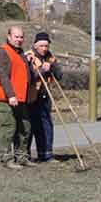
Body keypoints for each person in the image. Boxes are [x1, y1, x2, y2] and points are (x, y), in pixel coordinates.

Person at [0, 25, 37, 169]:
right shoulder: (2, 52)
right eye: (16, 36)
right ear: (9, 36)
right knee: (9, 127)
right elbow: (3, 76)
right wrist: (10, 95)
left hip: (22, 98)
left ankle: (22, 157)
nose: (19, 39)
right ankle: (6, 159)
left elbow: (27, 76)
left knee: (25, 127)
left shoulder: (21, 54)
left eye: (21, 37)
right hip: (7, 98)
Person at [25, 31, 63, 163]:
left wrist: (51, 67)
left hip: (44, 97)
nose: (44, 48)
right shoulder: (28, 56)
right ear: (35, 45)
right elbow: (27, 77)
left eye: (46, 46)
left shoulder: (50, 57)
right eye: (41, 46)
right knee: (29, 128)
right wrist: (42, 70)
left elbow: (59, 75)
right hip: (30, 97)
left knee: (46, 126)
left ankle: (46, 154)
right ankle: (25, 156)